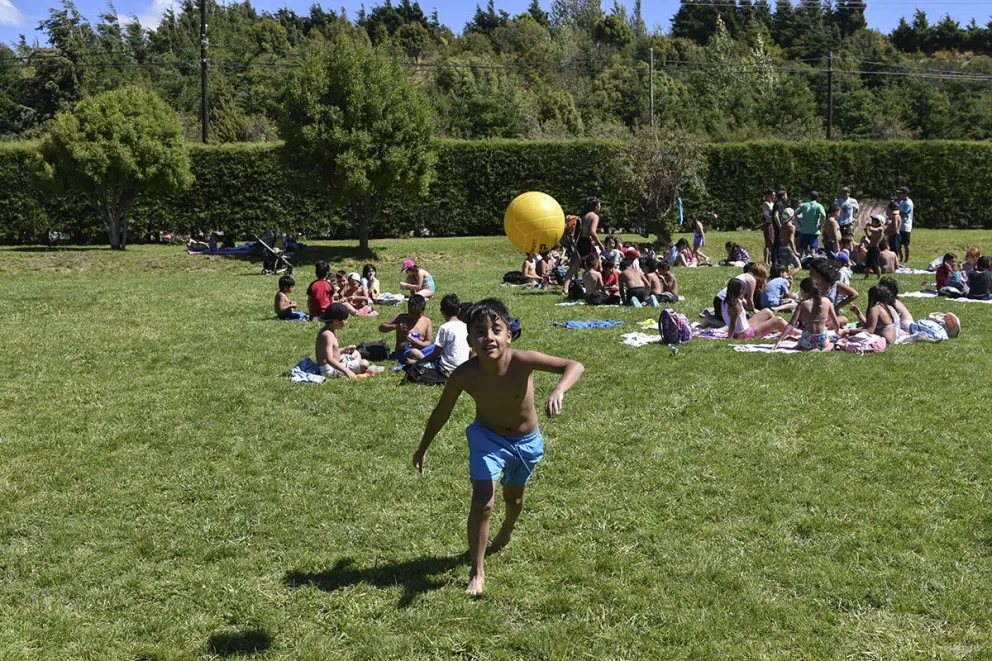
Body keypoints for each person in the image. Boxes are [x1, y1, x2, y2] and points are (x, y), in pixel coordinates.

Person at [412, 299, 584, 596]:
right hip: (486, 439)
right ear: (470, 341)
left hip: (525, 442)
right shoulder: (464, 375)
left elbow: (574, 365)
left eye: (496, 330)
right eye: (480, 332)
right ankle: (477, 571)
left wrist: (558, 389)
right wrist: (423, 447)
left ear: (509, 335)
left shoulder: (523, 360)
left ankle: (506, 530)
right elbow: (442, 412)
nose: (488, 337)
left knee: (513, 498)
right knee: (483, 499)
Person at [775, 278, 839, 351]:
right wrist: (837, 333)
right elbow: (836, 322)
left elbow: (791, 324)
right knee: (831, 343)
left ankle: (812, 349)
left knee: (801, 342)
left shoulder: (803, 304)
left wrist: (780, 339)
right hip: (822, 340)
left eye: (801, 292)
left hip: (806, 342)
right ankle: (823, 349)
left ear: (806, 292)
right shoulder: (827, 301)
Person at [413, 294, 471, 375]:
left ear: (442, 311)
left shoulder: (444, 328)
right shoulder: (466, 326)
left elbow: (435, 354)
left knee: (418, 367)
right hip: (464, 366)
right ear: (459, 310)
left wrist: (418, 362)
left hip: (446, 367)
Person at [315, 303, 371, 379]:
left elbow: (331, 351)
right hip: (329, 370)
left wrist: (344, 349)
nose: (346, 322)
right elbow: (329, 359)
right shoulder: (327, 335)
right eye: (345, 320)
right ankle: (357, 370)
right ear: (335, 321)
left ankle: (357, 369)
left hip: (336, 362)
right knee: (364, 363)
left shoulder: (330, 331)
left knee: (356, 353)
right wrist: (346, 371)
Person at [722, 277, 788, 339]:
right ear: (739, 291)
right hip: (745, 334)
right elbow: (732, 324)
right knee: (778, 320)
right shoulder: (736, 305)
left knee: (767, 311)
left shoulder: (726, 301)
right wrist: (729, 338)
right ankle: (796, 332)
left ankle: (781, 329)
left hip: (743, 329)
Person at [563, 197, 604, 297]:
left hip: (577, 242)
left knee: (573, 267)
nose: (600, 206)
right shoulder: (594, 216)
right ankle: (596, 287)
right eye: (599, 204)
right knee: (596, 264)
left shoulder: (582, 215)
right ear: (595, 206)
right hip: (586, 242)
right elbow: (592, 232)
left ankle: (565, 289)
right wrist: (600, 244)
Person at [380, 294, 434, 363]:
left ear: (423, 311)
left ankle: (419, 361)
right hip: (405, 352)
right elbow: (381, 327)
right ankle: (427, 363)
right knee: (414, 351)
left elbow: (428, 342)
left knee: (437, 347)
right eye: (411, 312)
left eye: (417, 314)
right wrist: (395, 326)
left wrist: (418, 343)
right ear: (408, 308)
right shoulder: (402, 318)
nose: (414, 316)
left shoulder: (426, 321)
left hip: (422, 350)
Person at [809, 257, 857, 329]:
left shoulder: (835, 284)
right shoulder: (812, 285)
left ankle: (825, 327)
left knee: (844, 319)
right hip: (815, 316)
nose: (809, 274)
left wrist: (837, 307)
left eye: (812, 272)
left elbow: (854, 294)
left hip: (830, 317)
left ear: (820, 272)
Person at [795, 191, 825, 255]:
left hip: (804, 230)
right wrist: (821, 225)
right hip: (814, 230)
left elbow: (795, 213)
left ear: (809, 197)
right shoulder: (819, 206)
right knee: (813, 248)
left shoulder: (804, 205)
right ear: (817, 197)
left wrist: (799, 223)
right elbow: (824, 215)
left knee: (802, 247)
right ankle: (812, 261)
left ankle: (799, 262)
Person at [834, 187, 859, 252]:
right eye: (843, 192)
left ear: (849, 193)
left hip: (848, 223)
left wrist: (854, 217)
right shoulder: (838, 201)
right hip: (839, 223)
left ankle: (849, 255)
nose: (844, 193)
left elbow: (856, 209)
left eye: (846, 192)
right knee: (839, 240)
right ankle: (840, 255)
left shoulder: (853, 201)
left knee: (849, 241)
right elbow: (834, 210)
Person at [897, 186, 914, 264]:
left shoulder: (908, 203)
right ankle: (901, 257)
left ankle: (906, 260)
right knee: (898, 243)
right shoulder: (901, 202)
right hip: (900, 225)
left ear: (905, 194)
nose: (899, 195)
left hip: (905, 226)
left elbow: (903, 214)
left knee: (906, 244)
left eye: (901, 193)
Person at [762, 188, 776, 264]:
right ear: (768, 195)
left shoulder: (773, 203)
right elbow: (770, 212)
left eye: (774, 195)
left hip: (773, 224)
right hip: (768, 224)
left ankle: (770, 260)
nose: (774, 197)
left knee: (772, 243)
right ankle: (766, 260)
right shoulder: (766, 204)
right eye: (772, 195)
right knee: (768, 243)